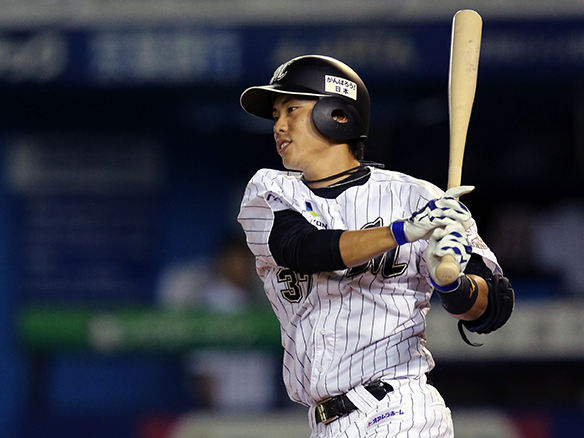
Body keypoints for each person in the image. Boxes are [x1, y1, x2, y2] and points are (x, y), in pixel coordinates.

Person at [237, 55, 514, 438]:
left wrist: (451, 284)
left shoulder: (417, 198)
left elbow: (493, 306)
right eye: (275, 115)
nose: (278, 126)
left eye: (291, 109)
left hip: (400, 409)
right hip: (325, 422)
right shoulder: (269, 191)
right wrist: (403, 232)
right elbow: (302, 248)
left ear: (337, 114)